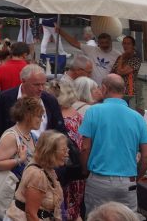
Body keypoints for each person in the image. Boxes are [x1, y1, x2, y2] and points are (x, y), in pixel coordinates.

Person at [79, 74, 147, 215]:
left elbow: (85, 148)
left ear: (104, 88)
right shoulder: (137, 117)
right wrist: (135, 177)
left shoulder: (93, 111)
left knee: (96, 217)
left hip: (99, 180)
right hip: (127, 182)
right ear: (123, 90)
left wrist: (85, 171)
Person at [0, 65, 67, 149]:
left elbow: (60, 129)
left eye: (43, 84)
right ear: (23, 81)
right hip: (15, 154)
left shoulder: (50, 100)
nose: (41, 88)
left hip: (44, 155)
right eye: (36, 85)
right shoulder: (6, 98)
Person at [5, 130, 67, 221]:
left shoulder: (48, 169)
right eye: (64, 150)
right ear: (50, 151)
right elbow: (31, 214)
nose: (67, 153)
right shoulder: (38, 175)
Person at [57, 77, 88, 220]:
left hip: (64, 170)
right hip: (78, 171)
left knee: (63, 208)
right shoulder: (79, 117)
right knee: (75, 209)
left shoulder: (58, 120)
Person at [0, 96, 44, 180]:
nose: (41, 120)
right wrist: (20, 160)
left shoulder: (32, 136)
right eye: (39, 116)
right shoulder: (11, 137)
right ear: (28, 116)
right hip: (13, 190)